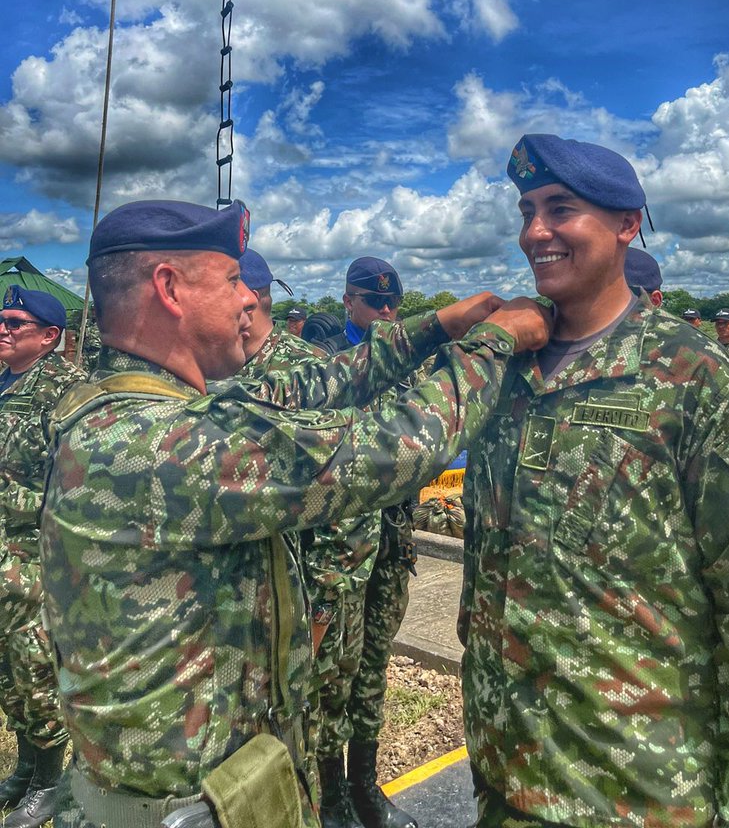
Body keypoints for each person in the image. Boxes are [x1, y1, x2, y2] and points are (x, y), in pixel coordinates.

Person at [39, 199, 549, 828]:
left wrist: (438, 325)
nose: (244, 304)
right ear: (169, 288)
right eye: (230, 282)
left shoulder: (134, 405)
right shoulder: (155, 443)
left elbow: (314, 384)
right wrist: (494, 344)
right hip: (190, 809)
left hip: (216, 792)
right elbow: (390, 449)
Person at [460, 134, 729, 828]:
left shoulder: (694, 378)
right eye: (526, 210)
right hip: (506, 776)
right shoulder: (502, 368)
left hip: (638, 791)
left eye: (560, 208)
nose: (535, 231)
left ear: (626, 225)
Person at [313, 258, 419, 828]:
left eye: (390, 306)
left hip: (392, 544)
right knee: (334, 676)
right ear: (347, 301)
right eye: (370, 303)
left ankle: (364, 784)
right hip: (340, 552)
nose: (383, 315)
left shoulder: (409, 365)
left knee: (374, 667)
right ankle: (331, 797)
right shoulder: (325, 367)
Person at [0, 286, 84, 828]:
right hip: (4, 556)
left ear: (50, 337)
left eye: (15, 323)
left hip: (36, 558)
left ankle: (52, 781)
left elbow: (75, 488)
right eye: (0, 320)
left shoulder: (67, 392)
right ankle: (28, 765)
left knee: (33, 668)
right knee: (7, 669)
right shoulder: (6, 381)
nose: (2, 330)